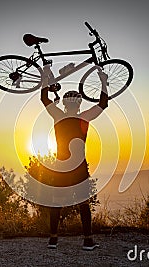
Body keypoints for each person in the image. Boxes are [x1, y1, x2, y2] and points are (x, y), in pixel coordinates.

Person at [40, 64, 108, 250]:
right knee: (83, 203)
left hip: (61, 166)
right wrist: (103, 82)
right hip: (78, 167)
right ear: (78, 104)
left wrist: (46, 78)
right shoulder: (83, 118)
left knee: (56, 202)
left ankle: (53, 240)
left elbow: (44, 98)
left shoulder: (58, 117)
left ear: (64, 104)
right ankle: (87, 240)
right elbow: (103, 104)